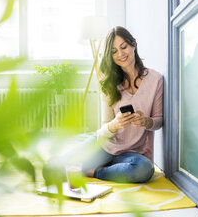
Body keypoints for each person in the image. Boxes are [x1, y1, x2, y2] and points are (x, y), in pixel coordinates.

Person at [42, 26, 163, 184]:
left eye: (123, 47)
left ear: (133, 44)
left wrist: (146, 121)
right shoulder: (109, 84)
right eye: (113, 51)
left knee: (144, 169)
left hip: (133, 154)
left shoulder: (155, 79)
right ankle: (101, 165)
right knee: (51, 171)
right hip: (104, 146)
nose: (120, 54)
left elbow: (159, 120)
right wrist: (115, 124)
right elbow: (105, 127)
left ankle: (93, 171)